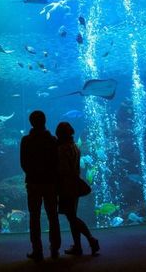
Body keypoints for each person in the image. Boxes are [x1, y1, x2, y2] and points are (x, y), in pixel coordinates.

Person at [20, 110, 61, 262]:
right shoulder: (53, 140)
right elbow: (57, 162)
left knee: (34, 217)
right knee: (53, 216)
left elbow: (23, 164)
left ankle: (37, 250)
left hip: (33, 183)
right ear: (44, 121)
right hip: (50, 183)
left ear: (31, 123)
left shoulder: (26, 140)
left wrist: (33, 174)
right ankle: (55, 249)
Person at [55, 121, 100, 256]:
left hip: (66, 186)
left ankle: (91, 239)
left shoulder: (62, 149)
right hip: (75, 184)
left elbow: (63, 170)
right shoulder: (75, 147)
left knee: (72, 217)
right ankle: (78, 246)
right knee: (72, 216)